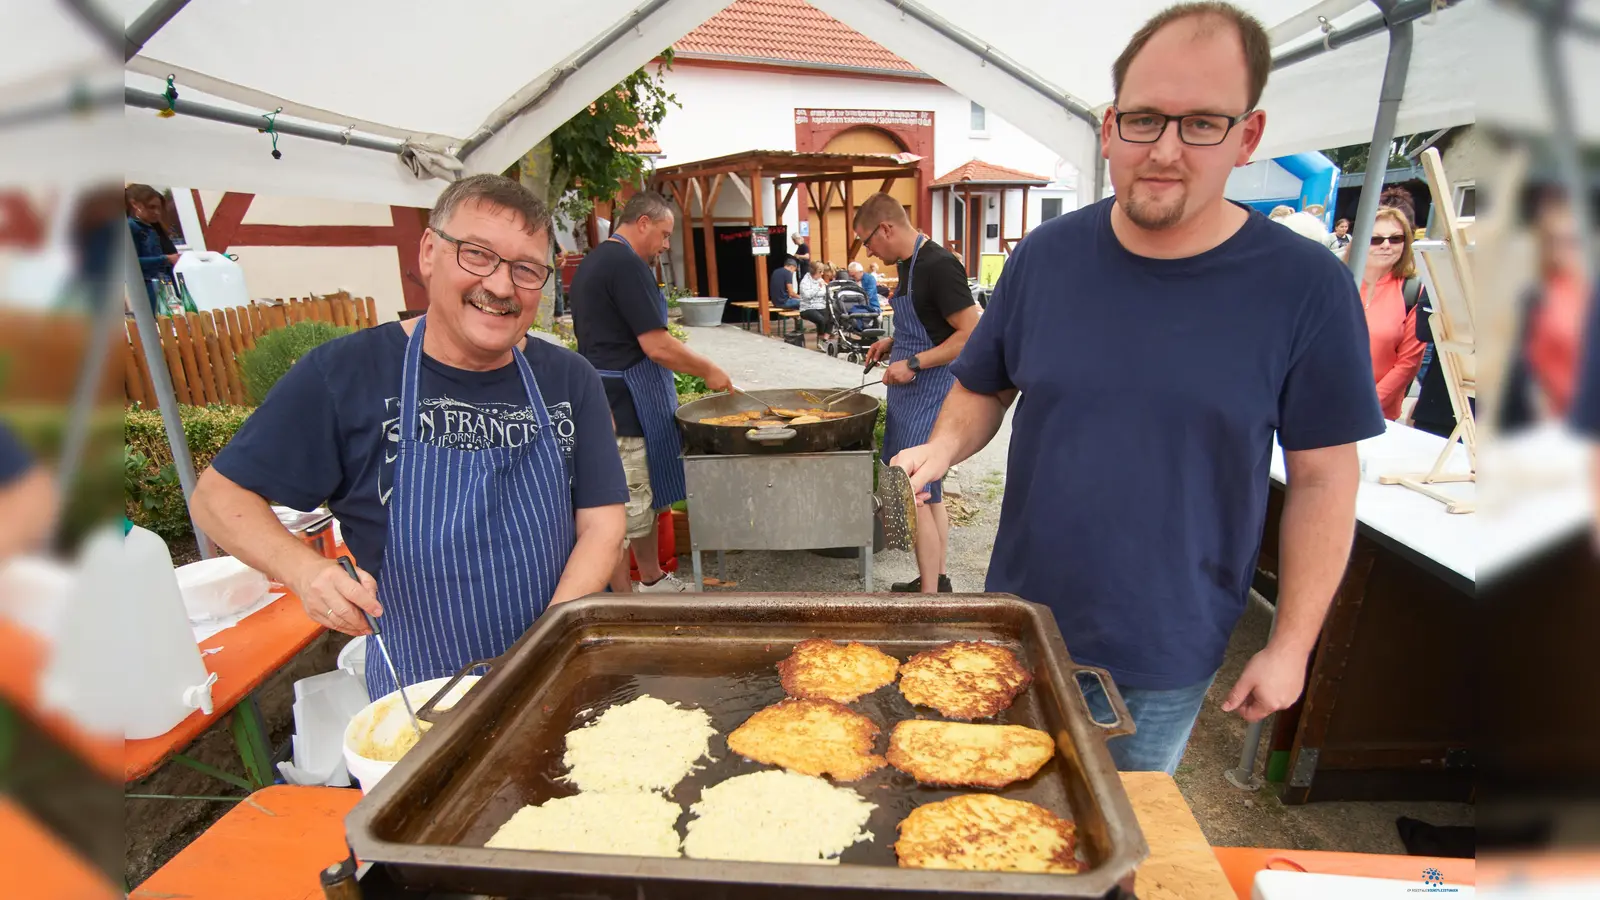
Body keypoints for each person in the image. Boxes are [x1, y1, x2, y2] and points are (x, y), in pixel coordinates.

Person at [889, 2, 1383, 774]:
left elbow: (1325, 479)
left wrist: (1290, 646)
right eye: (1146, 120)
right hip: (1021, 619)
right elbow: (986, 386)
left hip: (1165, 649)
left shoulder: (1306, 287)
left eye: (1203, 124)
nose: (1166, 150)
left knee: (1118, 847)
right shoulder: (1044, 258)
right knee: (995, 819)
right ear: (1110, 126)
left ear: (1247, 136)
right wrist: (943, 445)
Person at [190, 175, 629, 700]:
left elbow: (602, 525)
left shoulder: (569, 377)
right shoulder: (343, 374)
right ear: (428, 252)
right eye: (477, 255)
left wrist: (543, 651)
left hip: (557, 671)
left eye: (526, 269)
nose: (501, 286)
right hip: (420, 694)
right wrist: (304, 570)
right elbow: (217, 497)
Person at [571, 191, 732, 593]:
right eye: (663, 235)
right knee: (626, 509)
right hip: (625, 404)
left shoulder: (596, 260)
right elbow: (657, 345)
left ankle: (652, 579)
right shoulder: (626, 265)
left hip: (611, 397)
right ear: (642, 222)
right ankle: (625, 602)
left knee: (644, 500)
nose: (664, 245)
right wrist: (709, 370)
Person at [853, 192, 980, 594]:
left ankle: (926, 600)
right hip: (910, 392)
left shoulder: (938, 265)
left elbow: (971, 335)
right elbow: (930, 323)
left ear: (886, 228)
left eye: (867, 240)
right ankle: (936, 581)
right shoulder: (908, 264)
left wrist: (912, 363)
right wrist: (893, 344)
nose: (868, 250)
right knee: (933, 494)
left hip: (932, 393)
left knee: (916, 491)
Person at [1359, 207, 1427, 420]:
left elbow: (1408, 364)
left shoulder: (1413, 290)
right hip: (1320, 404)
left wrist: (1367, 406)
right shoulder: (1337, 281)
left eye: (1396, 238)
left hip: (1376, 415)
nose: (1386, 245)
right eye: (1376, 239)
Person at [126, 184, 179, 316]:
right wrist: (166, 259)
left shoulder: (151, 227)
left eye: (159, 208)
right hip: (148, 287)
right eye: (152, 207)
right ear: (135, 204)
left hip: (165, 284)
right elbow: (130, 263)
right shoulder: (131, 227)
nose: (157, 212)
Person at [798, 261, 830, 342]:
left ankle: (825, 339)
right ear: (816, 272)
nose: (822, 274)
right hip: (808, 308)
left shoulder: (820, 280)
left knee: (831, 318)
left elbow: (824, 292)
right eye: (821, 272)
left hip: (821, 305)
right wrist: (818, 288)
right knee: (821, 320)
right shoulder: (805, 282)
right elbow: (807, 295)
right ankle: (820, 339)